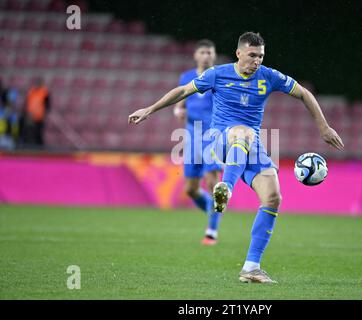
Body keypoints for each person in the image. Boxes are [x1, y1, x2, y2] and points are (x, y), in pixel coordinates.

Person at [128, 32, 344, 284]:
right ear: (239, 53)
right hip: (221, 139)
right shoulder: (217, 74)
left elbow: (304, 94)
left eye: (261, 56)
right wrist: (150, 109)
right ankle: (226, 188)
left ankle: (251, 267)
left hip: (251, 147)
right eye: (252, 55)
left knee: (273, 197)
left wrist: (324, 128)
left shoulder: (269, 76)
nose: (257, 61)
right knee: (242, 131)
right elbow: (183, 91)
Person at [173, 39, 223, 246]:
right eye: (202, 52)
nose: (206, 56)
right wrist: (178, 109)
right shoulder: (186, 77)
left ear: (214, 55)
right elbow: (181, 100)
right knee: (191, 190)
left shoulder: (220, 77)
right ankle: (214, 210)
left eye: (209, 52)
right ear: (196, 55)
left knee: (213, 183)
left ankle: (211, 231)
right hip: (192, 134)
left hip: (212, 134)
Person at [24, 77, 50, 146]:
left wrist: (45, 113)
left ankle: (39, 147)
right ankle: (30, 146)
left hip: (39, 116)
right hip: (31, 116)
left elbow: (47, 104)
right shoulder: (31, 91)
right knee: (29, 133)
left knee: (38, 132)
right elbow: (27, 103)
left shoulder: (44, 92)